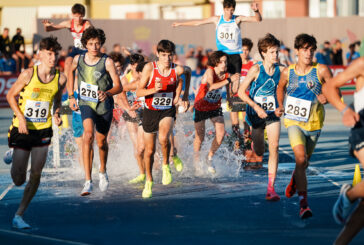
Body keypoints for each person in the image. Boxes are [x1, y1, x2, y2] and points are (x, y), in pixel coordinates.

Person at [6, 36, 66, 229]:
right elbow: (10, 95)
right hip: (22, 129)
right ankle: (13, 155)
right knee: (18, 179)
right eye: (49, 53)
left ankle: (19, 214)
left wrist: (56, 113)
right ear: (40, 54)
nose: (52, 57)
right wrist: (21, 118)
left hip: (43, 130)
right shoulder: (28, 75)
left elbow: (57, 100)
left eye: (55, 54)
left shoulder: (60, 78)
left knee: (36, 174)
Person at [276, 33, 333, 219]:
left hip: (315, 123)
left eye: (311, 50)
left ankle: (295, 179)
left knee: (303, 163)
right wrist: (280, 104)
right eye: (305, 50)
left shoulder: (321, 70)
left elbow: (333, 89)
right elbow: (280, 87)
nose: (308, 54)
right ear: (297, 51)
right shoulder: (288, 71)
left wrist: (327, 97)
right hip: (293, 121)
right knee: (300, 159)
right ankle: (303, 204)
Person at [67, 27, 127, 196]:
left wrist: (106, 93)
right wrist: (71, 96)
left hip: (104, 105)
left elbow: (118, 86)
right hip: (86, 103)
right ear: (85, 44)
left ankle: (102, 170)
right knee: (88, 136)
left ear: (101, 44)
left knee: (101, 142)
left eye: (97, 44)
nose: (94, 47)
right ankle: (87, 181)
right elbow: (69, 73)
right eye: (91, 44)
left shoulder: (107, 62)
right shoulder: (78, 59)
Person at [173, 0, 262, 95]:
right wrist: (180, 24)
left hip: (235, 56)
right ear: (224, 9)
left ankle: (230, 99)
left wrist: (256, 11)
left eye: (232, 10)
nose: (230, 13)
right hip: (222, 56)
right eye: (227, 10)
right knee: (212, 77)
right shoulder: (217, 19)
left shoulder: (237, 19)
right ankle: (200, 93)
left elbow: (258, 19)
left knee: (235, 86)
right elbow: (198, 23)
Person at [136, 39, 188, 198]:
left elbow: (188, 72)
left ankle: (166, 165)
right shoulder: (149, 68)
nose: (167, 58)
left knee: (164, 138)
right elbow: (139, 92)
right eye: (163, 55)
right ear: (157, 54)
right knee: (149, 150)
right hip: (150, 110)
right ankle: (149, 181)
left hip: (167, 110)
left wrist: (183, 96)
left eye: (170, 55)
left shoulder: (177, 69)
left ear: (173, 55)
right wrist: (153, 89)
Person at [323, 57, 364, 244]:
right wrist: (344, 110)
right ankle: (349, 195)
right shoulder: (362, 64)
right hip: (362, 126)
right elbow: (328, 87)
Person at [238, 33, 284, 201]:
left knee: (275, 147)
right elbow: (241, 92)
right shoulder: (256, 69)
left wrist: (281, 105)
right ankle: (255, 140)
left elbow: (286, 89)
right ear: (264, 53)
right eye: (272, 52)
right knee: (259, 150)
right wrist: (256, 107)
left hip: (272, 113)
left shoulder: (282, 70)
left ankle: (271, 187)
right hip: (255, 113)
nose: (276, 55)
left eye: (277, 52)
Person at [193, 51, 238, 174]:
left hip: (214, 106)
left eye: (225, 61)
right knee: (200, 137)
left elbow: (230, 90)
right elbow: (212, 86)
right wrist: (229, 80)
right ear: (215, 62)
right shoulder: (210, 71)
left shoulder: (227, 74)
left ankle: (209, 157)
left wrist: (230, 98)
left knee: (221, 133)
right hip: (201, 106)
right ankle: (196, 161)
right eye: (221, 62)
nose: (224, 64)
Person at [42, 3, 92, 78]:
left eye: (80, 16)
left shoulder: (87, 25)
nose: (78, 19)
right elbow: (49, 29)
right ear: (72, 15)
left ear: (84, 15)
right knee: (67, 63)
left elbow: (95, 36)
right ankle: (66, 86)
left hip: (86, 50)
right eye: (76, 16)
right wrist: (46, 25)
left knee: (82, 71)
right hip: (76, 49)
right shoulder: (69, 23)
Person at [119, 53, 146, 184]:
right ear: (131, 66)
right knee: (137, 146)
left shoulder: (144, 75)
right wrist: (129, 109)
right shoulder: (126, 79)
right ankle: (142, 172)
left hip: (144, 111)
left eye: (139, 66)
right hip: (131, 112)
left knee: (145, 145)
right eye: (135, 66)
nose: (137, 69)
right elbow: (120, 95)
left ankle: (151, 168)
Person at [227, 38, 254, 150]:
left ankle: (247, 143)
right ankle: (236, 143)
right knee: (235, 123)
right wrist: (228, 96)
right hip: (234, 96)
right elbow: (229, 81)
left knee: (246, 121)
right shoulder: (234, 64)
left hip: (246, 96)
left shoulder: (253, 64)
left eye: (247, 50)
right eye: (242, 50)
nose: (244, 52)